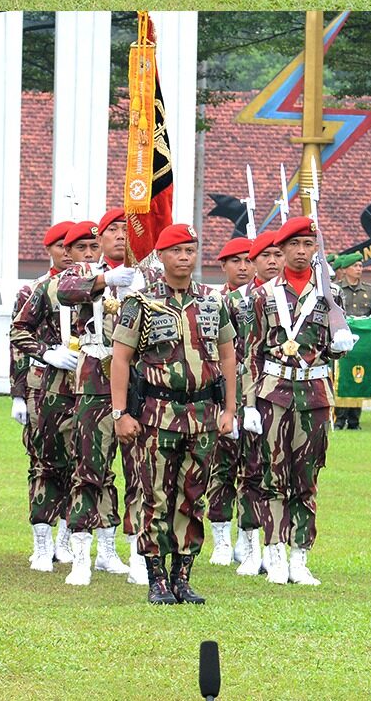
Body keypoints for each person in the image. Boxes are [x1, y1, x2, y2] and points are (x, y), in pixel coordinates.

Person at [111, 223, 237, 606]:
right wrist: (120, 413)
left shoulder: (212, 302)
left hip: (202, 414)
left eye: (190, 250)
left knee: (193, 496)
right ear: (162, 256)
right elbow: (120, 359)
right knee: (154, 496)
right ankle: (156, 578)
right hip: (157, 414)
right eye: (177, 251)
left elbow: (228, 356)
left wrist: (230, 409)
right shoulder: (141, 303)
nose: (185, 257)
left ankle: (183, 577)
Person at [241, 215, 350, 586]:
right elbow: (251, 352)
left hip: (314, 394)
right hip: (273, 394)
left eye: (308, 245)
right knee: (272, 476)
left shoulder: (329, 295)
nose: (301, 252)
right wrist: (249, 404)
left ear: (315, 249)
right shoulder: (263, 296)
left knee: (307, 478)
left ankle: (299, 557)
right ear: (282, 249)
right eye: (294, 245)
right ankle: (274, 553)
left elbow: (335, 347)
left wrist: (342, 344)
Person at [55, 212, 144, 585]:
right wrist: (106, 279)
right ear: (101, 236)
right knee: (89, 468)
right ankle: (81, 555)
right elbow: (64, 291)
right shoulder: (86, 271)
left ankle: (139, 556)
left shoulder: (149, 275)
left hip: (139, 381)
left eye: (127, 229)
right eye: (113, 230)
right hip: (95, 379)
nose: (121, 235)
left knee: (140, 472)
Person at [9, 220, 89, 576]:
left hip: (86, 386)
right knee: (44, 463)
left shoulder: (98, 289)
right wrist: (19, 393)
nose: (72, 255)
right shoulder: (37, 289)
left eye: (88, 247)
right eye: (64, 247)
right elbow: (18, 342)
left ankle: (65, 540)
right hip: (45, 386)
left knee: (80, 464)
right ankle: (41, 543)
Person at [234, 227, 283, 576]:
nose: (273, 261)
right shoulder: (240, 301)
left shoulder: (290, 298)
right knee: (250, 472)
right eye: (266, 255)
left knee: (279, 474)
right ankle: (249, 546)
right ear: (253, 261)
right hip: (246, 393)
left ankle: (275, 545)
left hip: (279, 393)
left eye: (278, 254)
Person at [205, 236, 251, 565]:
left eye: (249, 260)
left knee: (256, 469)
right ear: (223, 265)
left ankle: (248, 539)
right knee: (221, 468)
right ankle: (221, 538)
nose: (244, 267)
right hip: (224, 393)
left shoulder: (266, 299)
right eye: (236, 261)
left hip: (261, 394)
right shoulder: (212, 302)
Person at [333, 251, 371, 429]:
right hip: (340, 339)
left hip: (362, 342)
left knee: (359, 373)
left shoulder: (370, 290)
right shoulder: (335, 289)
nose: (359, 269)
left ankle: (354, 420)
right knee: (341, 376)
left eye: (361, 266)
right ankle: (339, 419)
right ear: (345, 269)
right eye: (355, 266)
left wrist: (363, 323)